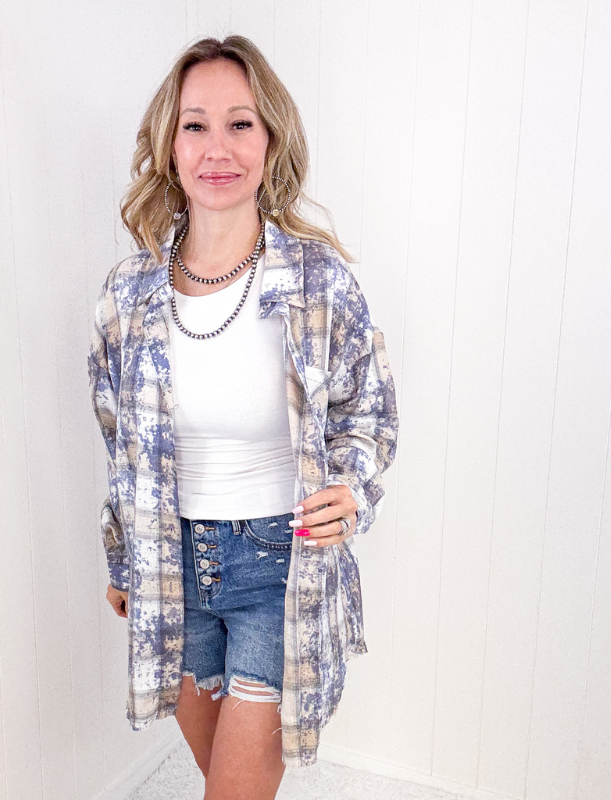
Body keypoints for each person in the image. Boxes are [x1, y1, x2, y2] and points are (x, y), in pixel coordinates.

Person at [89, 35, 398, 800]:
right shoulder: (128, 294)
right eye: (195, 125)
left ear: (270, 141)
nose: (217, 148)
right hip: (171, 569)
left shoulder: (318, 281)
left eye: (240, 124)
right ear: (169, 146)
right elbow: (120, 439)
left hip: (276, 566)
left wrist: (353, 488)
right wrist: (124, 556)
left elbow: (369, 409)